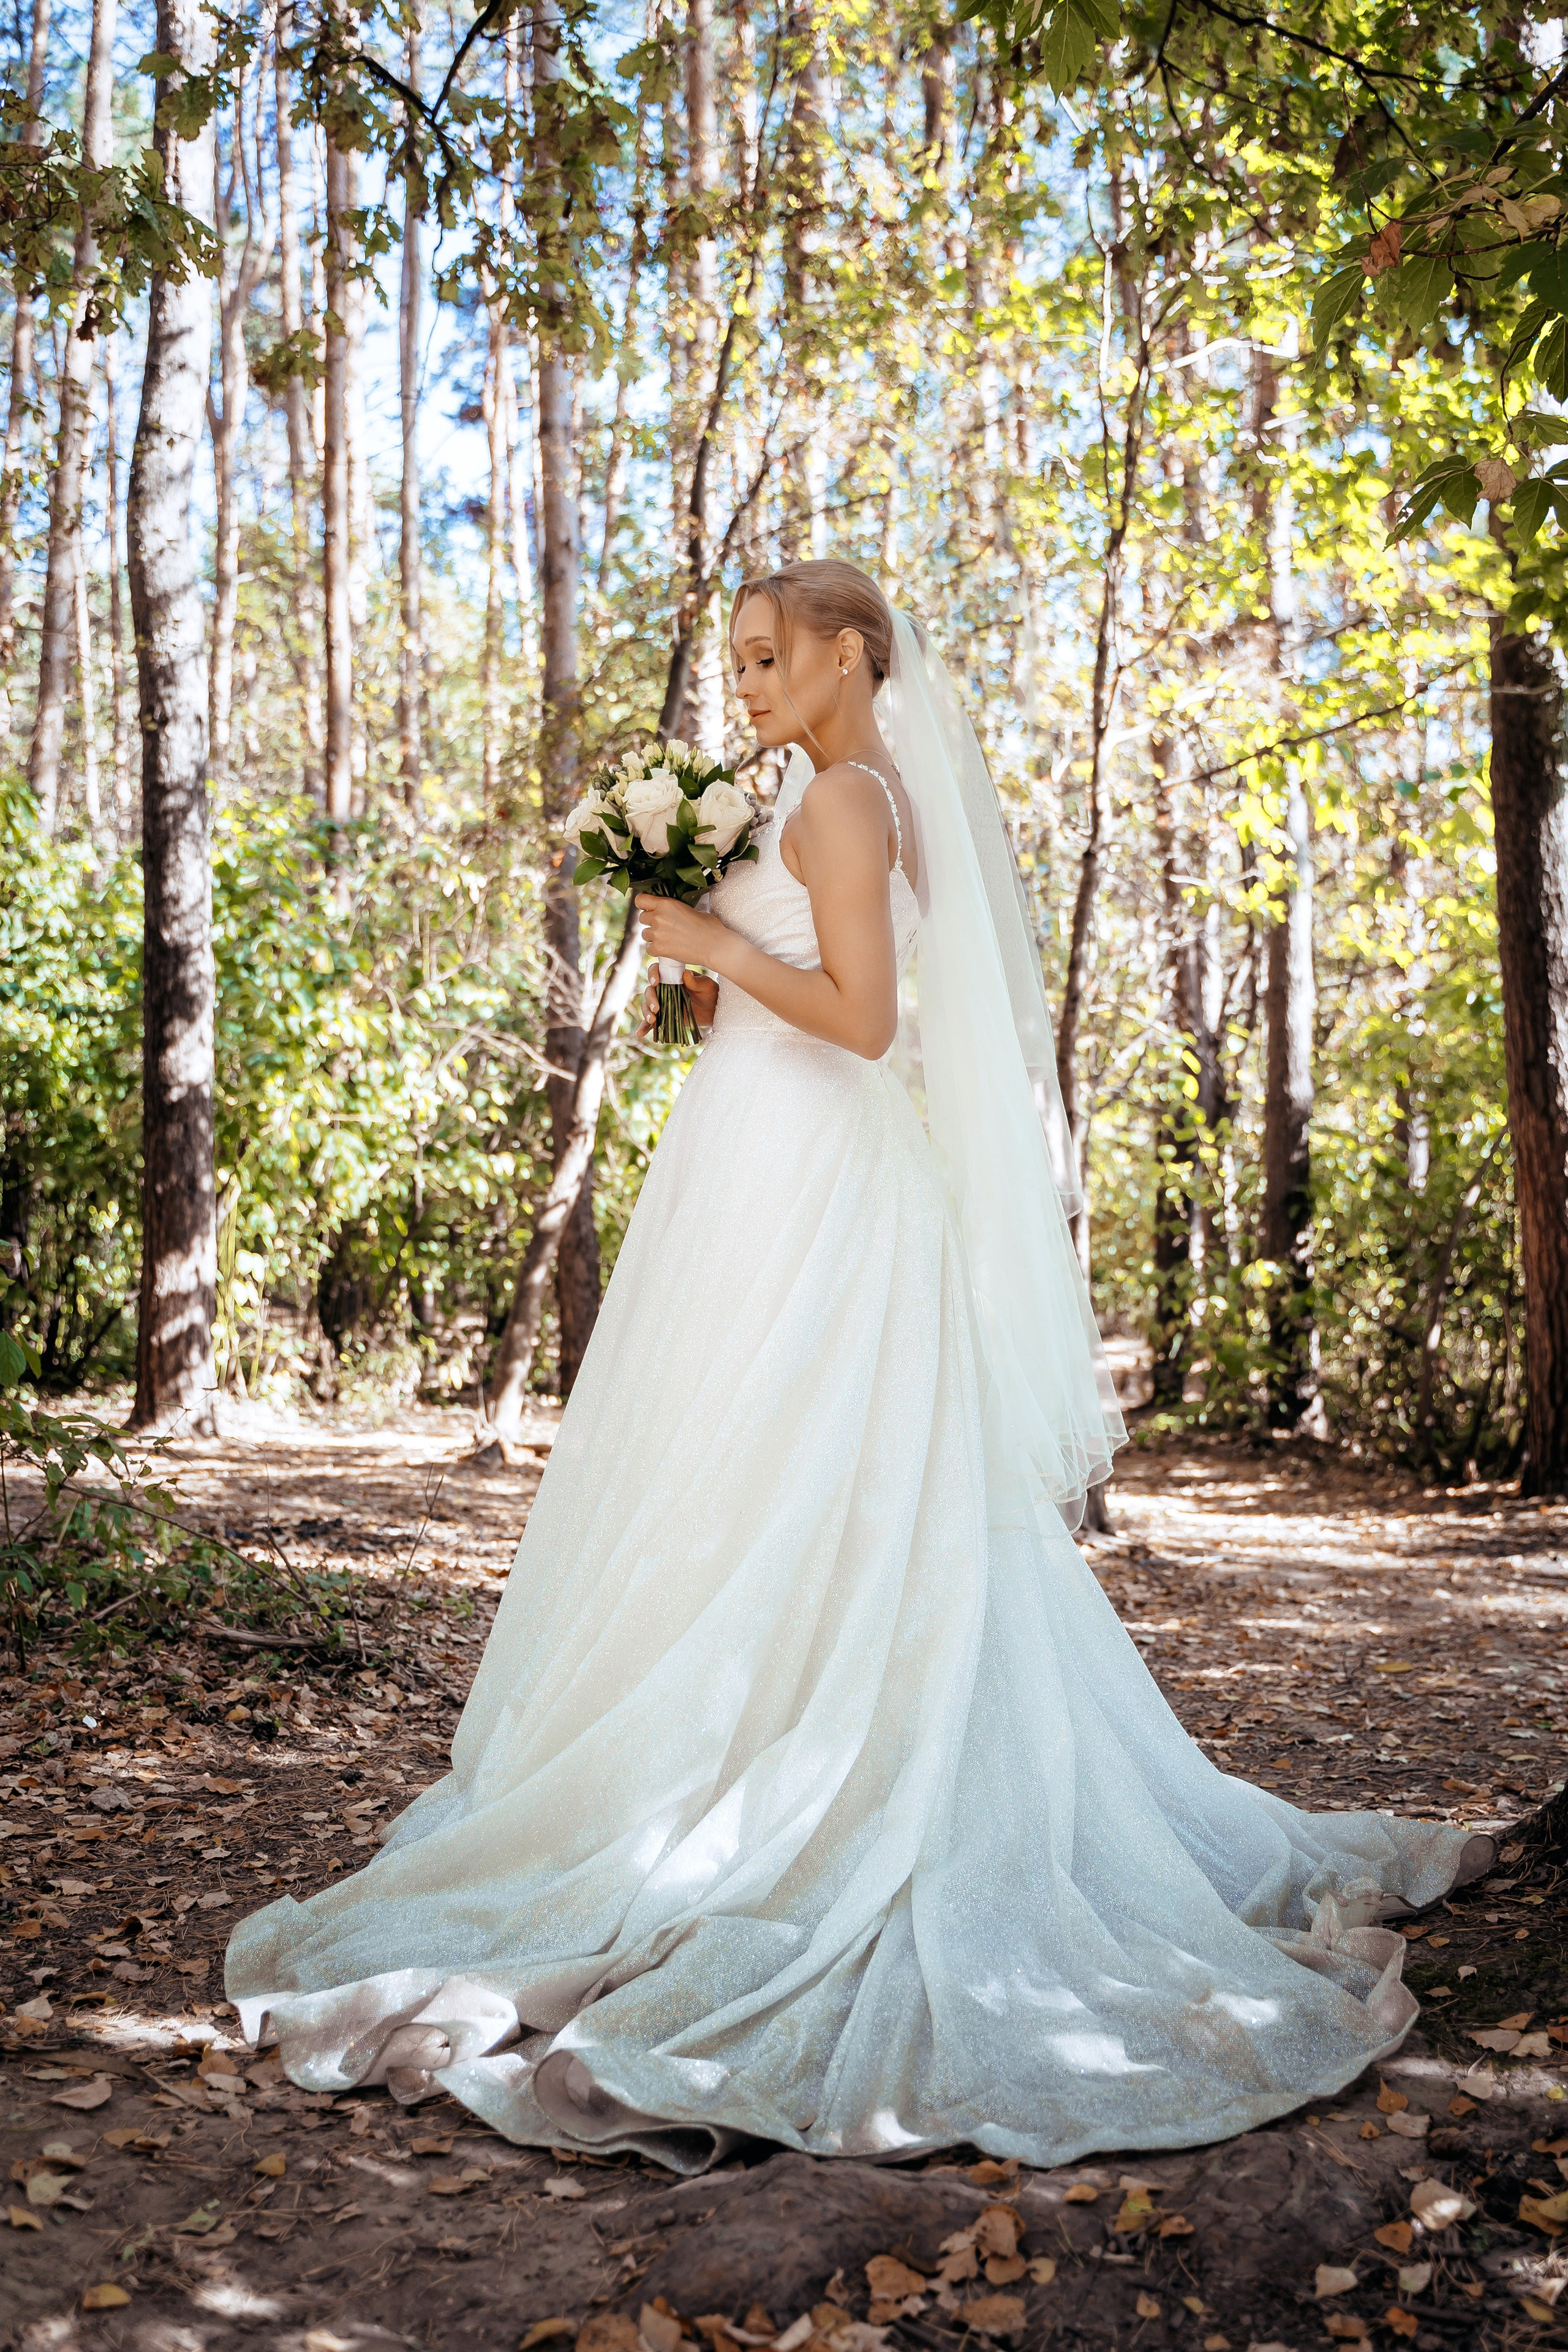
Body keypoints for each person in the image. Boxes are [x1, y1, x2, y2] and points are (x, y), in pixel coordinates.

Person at [227, 560, 1487, 2173]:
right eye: (735, 659)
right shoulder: (852, 793)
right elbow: (804, 999)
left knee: (786, 1469)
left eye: (768, 656)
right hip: (776, 1160)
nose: (744, 681)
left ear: (847, 653)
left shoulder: (841, 804)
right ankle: (756, 1741)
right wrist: (706, 959)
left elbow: (869, 1019)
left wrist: (709, 940)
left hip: (811, 1173)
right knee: (768, 1476)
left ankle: (770, 1780)